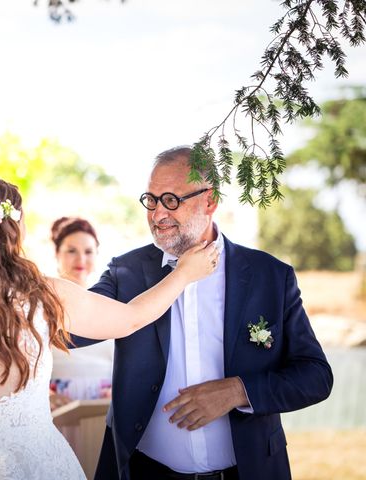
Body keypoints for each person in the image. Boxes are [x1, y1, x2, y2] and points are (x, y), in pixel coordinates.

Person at [0, 174, 219, 479]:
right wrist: (184, 274)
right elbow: (130, 319)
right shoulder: (43, 293)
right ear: (13, 228)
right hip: (38, 463)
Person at [78, 146, 333, 480]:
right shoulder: (125, 273)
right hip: (144, 472)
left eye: (171, 200)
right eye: (151, 200)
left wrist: (237, 391)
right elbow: (72, 332)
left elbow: (315, 376)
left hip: (249, 471)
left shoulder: (270, 276)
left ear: (209, 201)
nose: (157, 214)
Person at [49, 217, 113, 403]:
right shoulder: (42, 303)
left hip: (103, 406)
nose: (81, 260)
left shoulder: (107, 303)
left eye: (88, 252)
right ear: (56, 253)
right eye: (71, 251)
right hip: (55, 406)